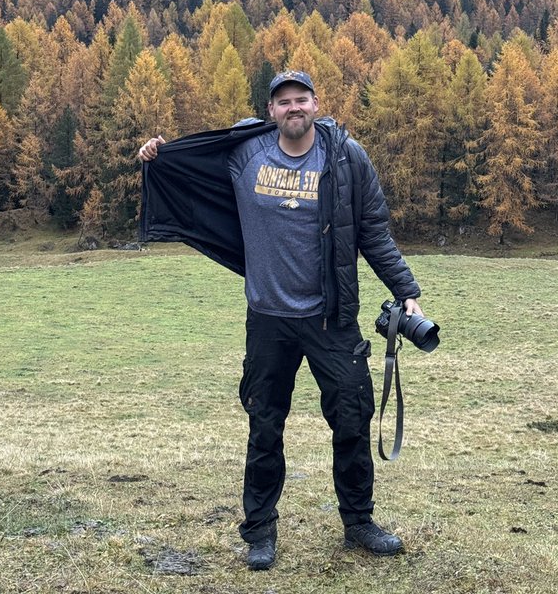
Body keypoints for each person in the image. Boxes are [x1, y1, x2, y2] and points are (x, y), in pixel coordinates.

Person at [139, 69, 424, 571]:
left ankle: (359, 522)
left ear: (316, 104)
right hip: (268, 319)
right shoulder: (245, 153)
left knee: (353, 420)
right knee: (265, 424)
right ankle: (260, 531)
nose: (293, 108)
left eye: (301, 99)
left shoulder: (346, 159)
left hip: (330, 317)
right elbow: (188, 162)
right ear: (270, 111)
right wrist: (159, 153)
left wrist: (407, 293)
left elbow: (374, 232)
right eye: (283, 101)